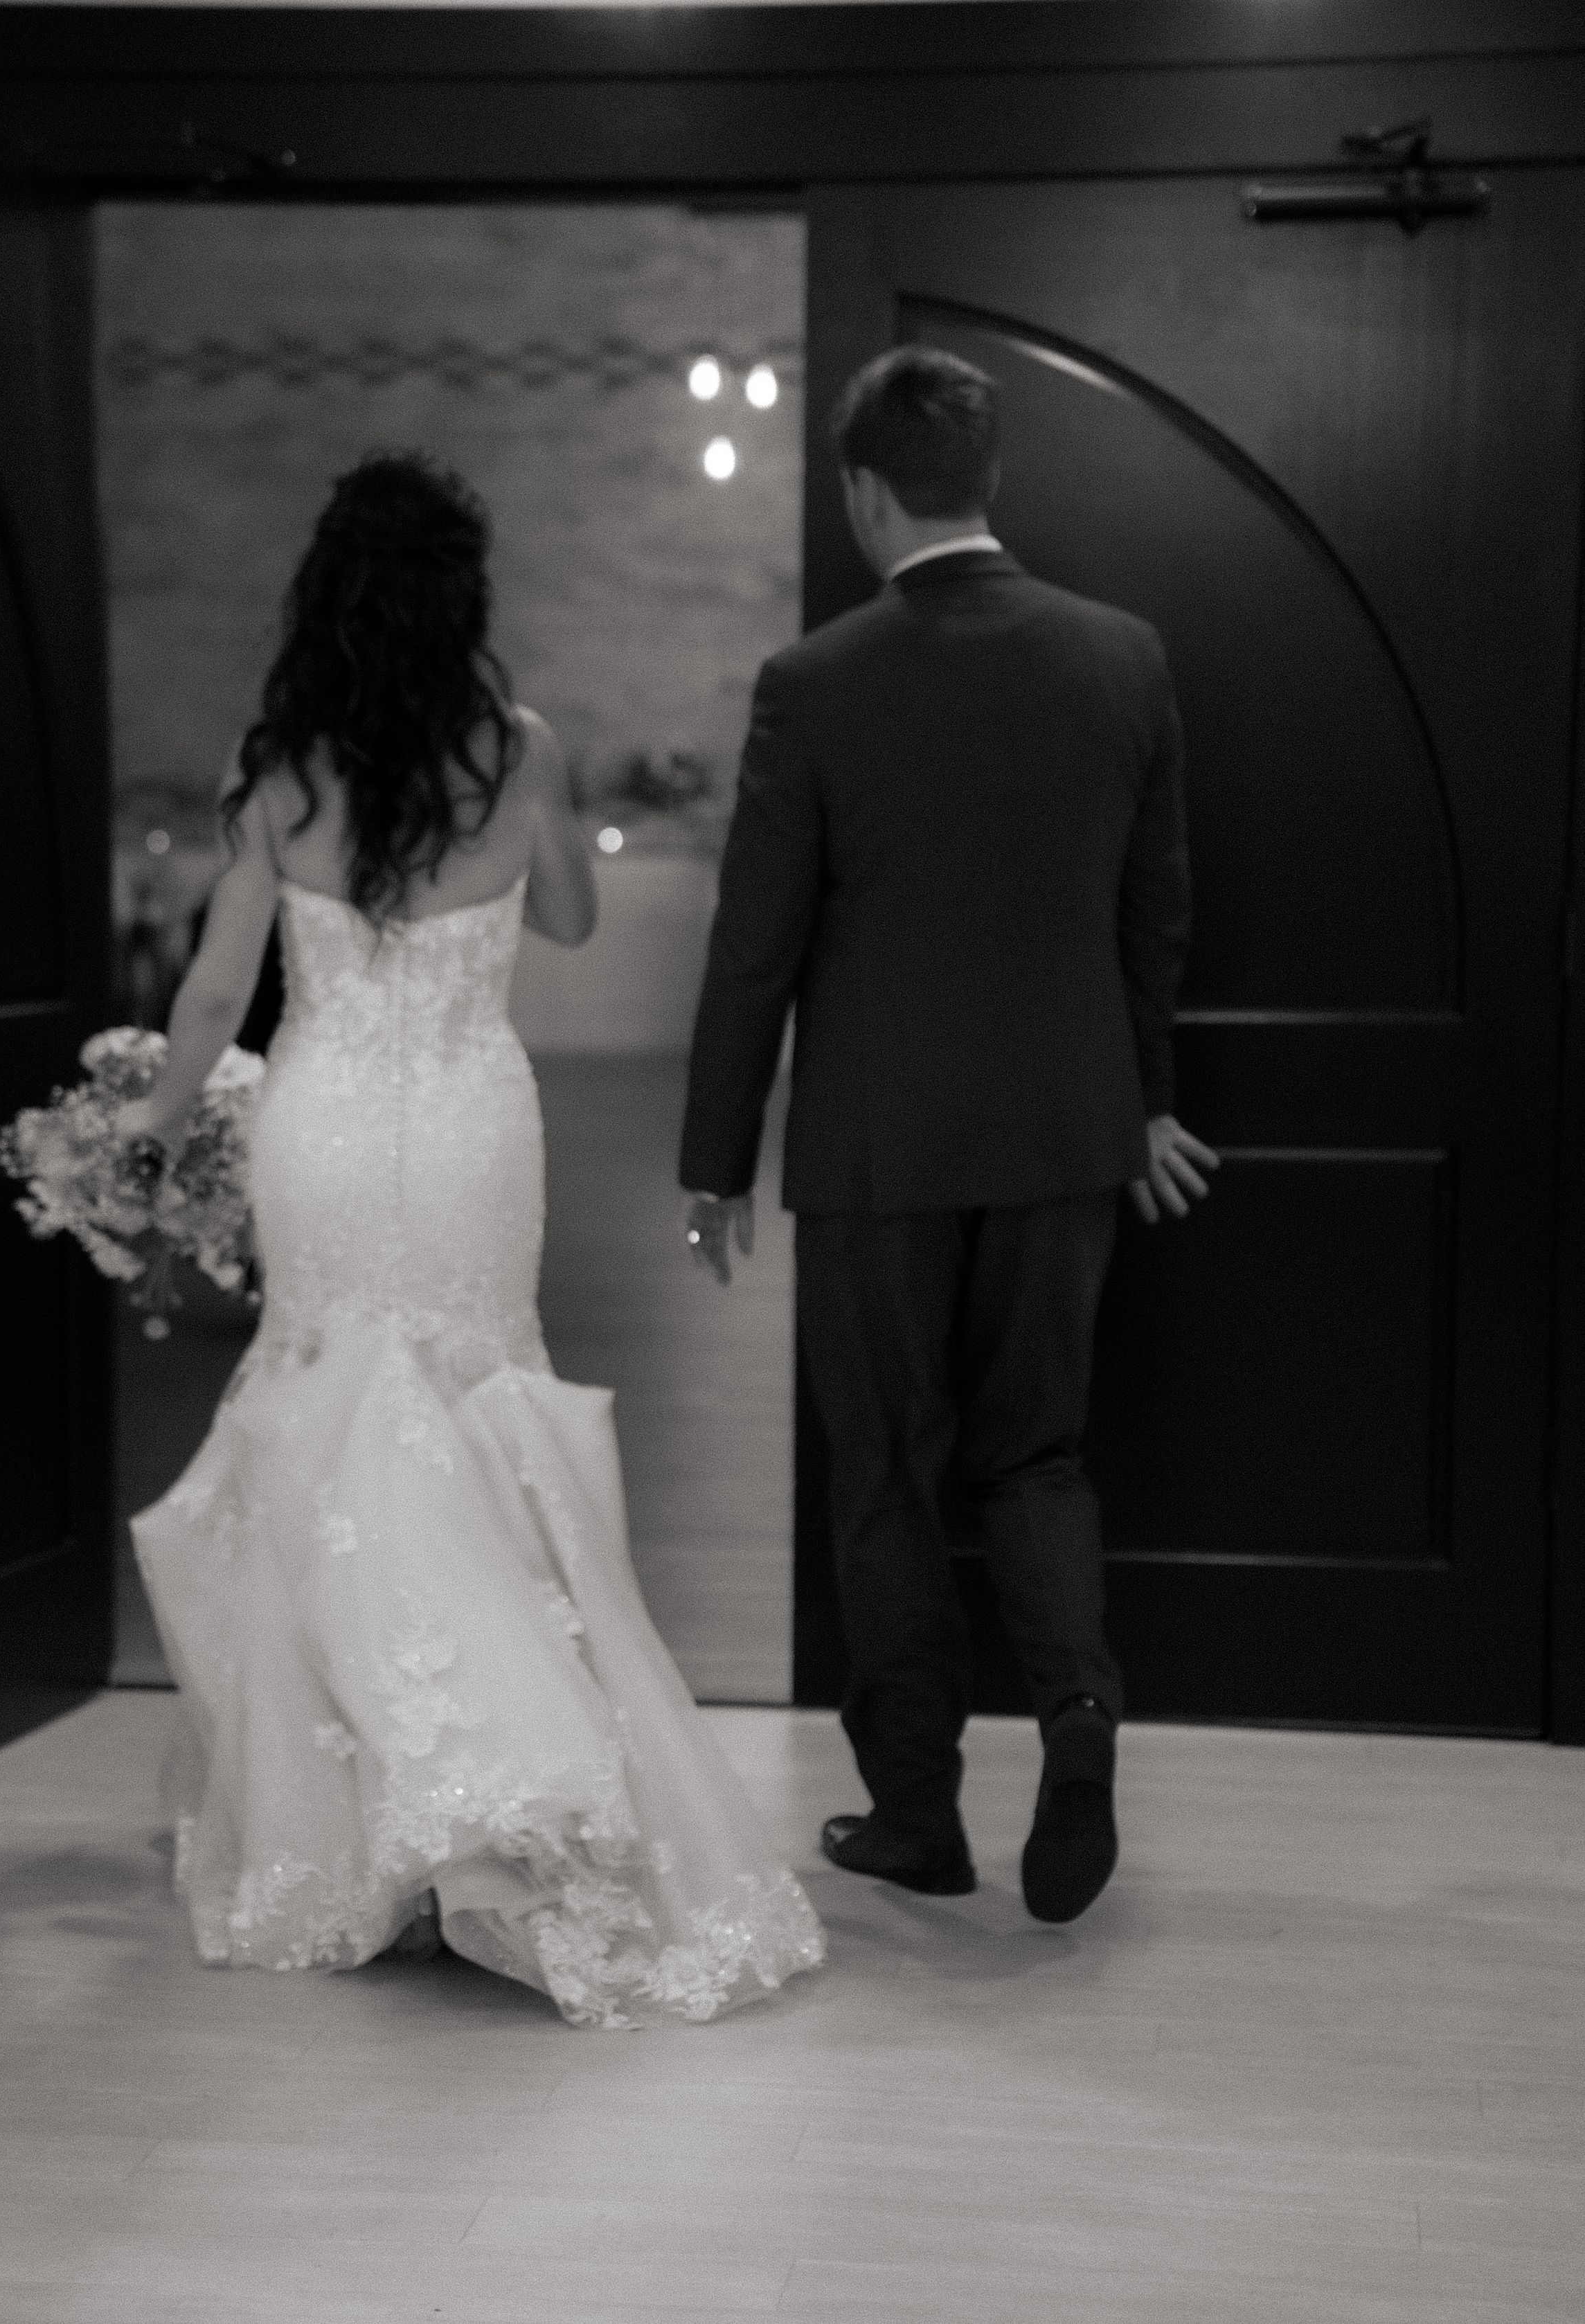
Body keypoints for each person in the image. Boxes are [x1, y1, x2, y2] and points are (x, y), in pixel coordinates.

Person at [118, 452, 825, 2023]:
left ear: (327, 599)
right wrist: (538, 823)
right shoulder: (518, 750)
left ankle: (364, 1829)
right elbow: (567, 918)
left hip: (321, 1121)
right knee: (470, 1408)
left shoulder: (282, 768)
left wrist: (152, 1119)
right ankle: (493, 1788)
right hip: (465, 1128)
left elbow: (222, 991)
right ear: (464, 605)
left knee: (320, 1423)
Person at [679, 346, 1217, 1923]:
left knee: (888, 1480)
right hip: (1067, 1135)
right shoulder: (1123, 658)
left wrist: (714, 1159)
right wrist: (1146, 1099)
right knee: (1036, 1454)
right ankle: (1077, 1715)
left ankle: (916, 1813)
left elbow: (753, 943)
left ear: (860, 489)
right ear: (987, 479)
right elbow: (1154, 915)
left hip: (877, 1154)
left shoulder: (815, 682)